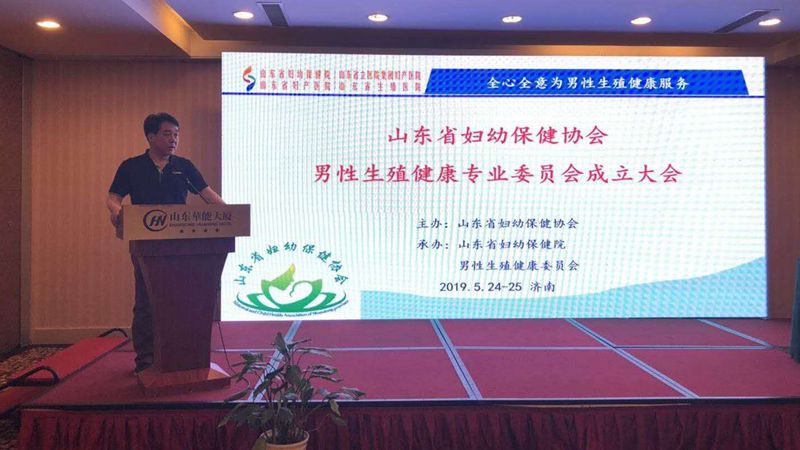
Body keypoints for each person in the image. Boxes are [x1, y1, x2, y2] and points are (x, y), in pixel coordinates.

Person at [106, 112, 225, 373]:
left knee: (181, 300)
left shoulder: (184, 166)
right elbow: (113, 198)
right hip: (145, 245)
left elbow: (209, 196)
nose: (173, 140)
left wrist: (229, 215)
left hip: (182, 246)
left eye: (176, 134)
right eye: (167, 134)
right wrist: (117, 212)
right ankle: (146, 360)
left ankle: (181, 356)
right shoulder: (131, 166)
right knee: (147, 301)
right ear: (151, 137)